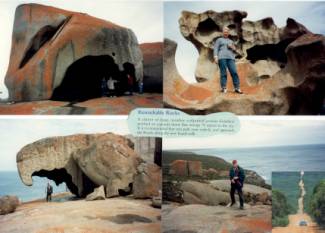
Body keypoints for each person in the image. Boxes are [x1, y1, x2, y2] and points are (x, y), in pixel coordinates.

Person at [214, 27, 243, 94]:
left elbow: (235, 50)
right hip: (222, 57)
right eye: (224, 31)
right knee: (223, 73)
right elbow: (216, 48)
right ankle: (223, 88)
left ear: (228, 33)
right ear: (222, 32)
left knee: (234, 72)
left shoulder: (231, 41)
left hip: (231, 58)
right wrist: (215, 57)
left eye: (227, 32)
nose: (226, 33)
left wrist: (233, 47)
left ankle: (237, 88)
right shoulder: (219, 40)